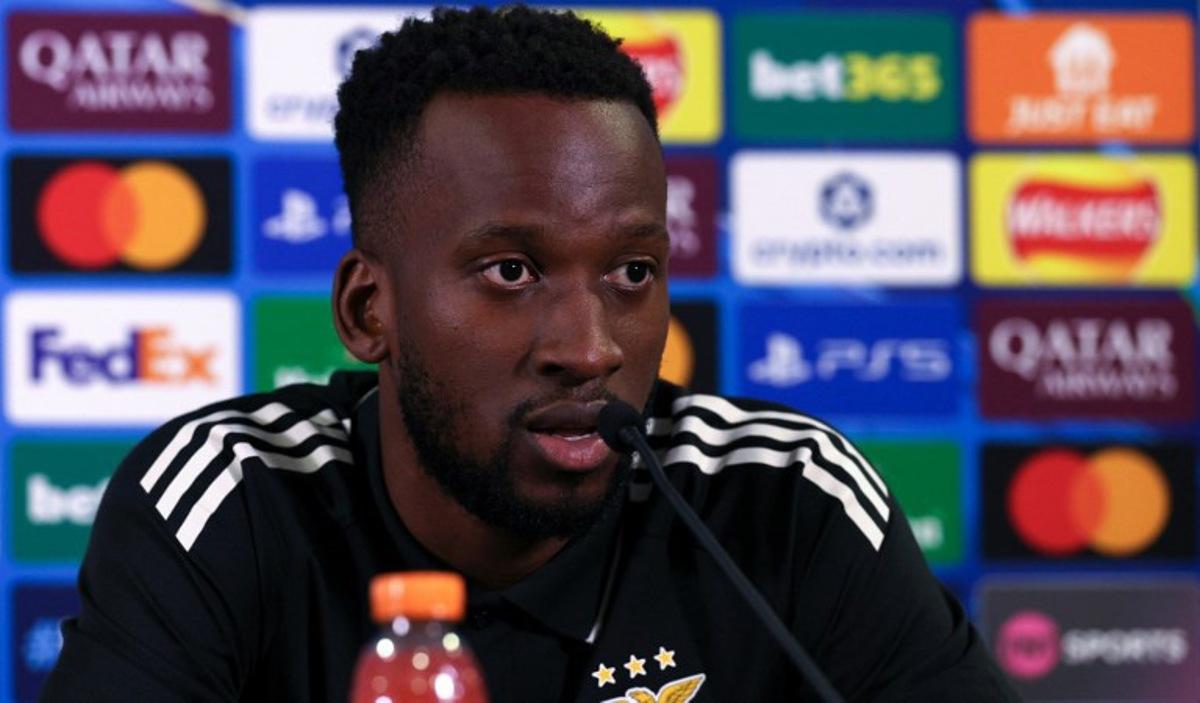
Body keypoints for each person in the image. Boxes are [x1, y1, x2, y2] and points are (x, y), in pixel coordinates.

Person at [42, 7, 1018, 702]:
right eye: (511, 271)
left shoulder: (782, 500)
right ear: (367, 310)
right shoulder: (229, 502)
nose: (590, 348)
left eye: (632, 272)